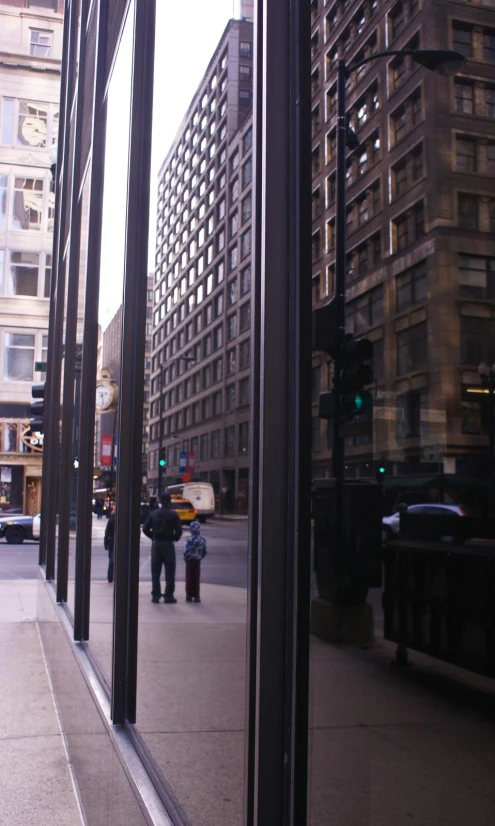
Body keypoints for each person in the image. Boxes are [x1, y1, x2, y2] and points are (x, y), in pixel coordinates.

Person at [142, 491, 182, 603]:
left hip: (156, 544)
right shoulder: (174, 515)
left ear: (159, 501)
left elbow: (145, 529)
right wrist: (173, 538)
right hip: (168, 544)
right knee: (170, 572)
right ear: (169, 502)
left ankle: (156, 595)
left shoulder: (154, 514)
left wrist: (153, 537)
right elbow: (179, 532)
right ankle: (169, 595)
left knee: (155, 572)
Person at [183, 520, 207, 603]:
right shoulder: (202, 540)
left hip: (189, 561)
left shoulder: (189, 540)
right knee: (196, 578)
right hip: (197, 561)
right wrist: (200, 556)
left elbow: (185, 551)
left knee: (189, 578)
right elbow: (204, 551)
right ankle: (196, 595)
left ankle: (189, 596)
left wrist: (186, 558)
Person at [104, 508, 115, 584]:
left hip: (112, 540)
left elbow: (107, 532)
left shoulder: (111, 519)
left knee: (111, 559)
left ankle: (110, 577)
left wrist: (105, 543)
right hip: (120, 539)